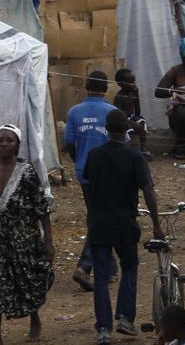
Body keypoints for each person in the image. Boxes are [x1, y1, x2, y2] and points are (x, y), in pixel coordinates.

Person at [83, 109, 163, 344]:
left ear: (106, 130)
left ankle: (104, 329)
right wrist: (156, 224)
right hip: (125, 224)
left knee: (100, 276)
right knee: (129, 268)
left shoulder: (94, 155)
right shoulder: (134, 157)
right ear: (126, 130)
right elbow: (147, 189)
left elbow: (88, 183)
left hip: (99, 224)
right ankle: (125, 319)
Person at [0, 124, 54, 344]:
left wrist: (48, 241)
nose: (4, 144)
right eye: (0, 140)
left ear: (17, 145)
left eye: (9, 140)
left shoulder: (26, 172)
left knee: (26, 281)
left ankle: (34, 317)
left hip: (24, 238)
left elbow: (41, 208)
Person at [63, 71, 117, 292]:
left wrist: (79, 162)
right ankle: (85, 265)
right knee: (102, 218)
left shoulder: (75, 112)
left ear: (87, 87)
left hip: (84, 173)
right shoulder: (112, 113)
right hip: (107, 175)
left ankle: (109, 265)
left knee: (99, 215)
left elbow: (68, 143)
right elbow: (120, 143)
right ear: (106, 89)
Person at [113, 68, 148, 157]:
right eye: (131, 82)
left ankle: (143, 149)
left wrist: (138, 118)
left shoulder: (135, 91)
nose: (134, 84)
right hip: (123, 121)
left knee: (142, 125)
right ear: (122, 84)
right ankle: (127, 152)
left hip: (132, 117)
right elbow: (120, 117)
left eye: (134, 81)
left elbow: (137, 106)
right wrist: (132, 123)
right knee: (126, 133)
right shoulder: (119, 97)